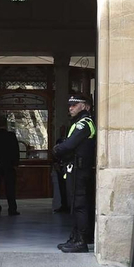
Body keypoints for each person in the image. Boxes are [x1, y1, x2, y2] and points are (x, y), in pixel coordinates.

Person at [53, 95, 97, 252]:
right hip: (74, 169)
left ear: (85, 106)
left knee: (79, 205)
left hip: (80, 170)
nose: (70, 108)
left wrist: (58, 149)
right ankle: (75, 236)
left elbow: (68, 146)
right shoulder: (77, 123)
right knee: (75, 205)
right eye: (69, 105)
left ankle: (81, 241)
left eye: (74, 105)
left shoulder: (85, 123)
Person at [0, 117, 21, 216]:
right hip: (9, 165)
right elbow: (16, 151)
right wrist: (15, 164)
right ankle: (12, 209)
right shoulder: (11, 136)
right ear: (6, 125)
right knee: (10, 188)